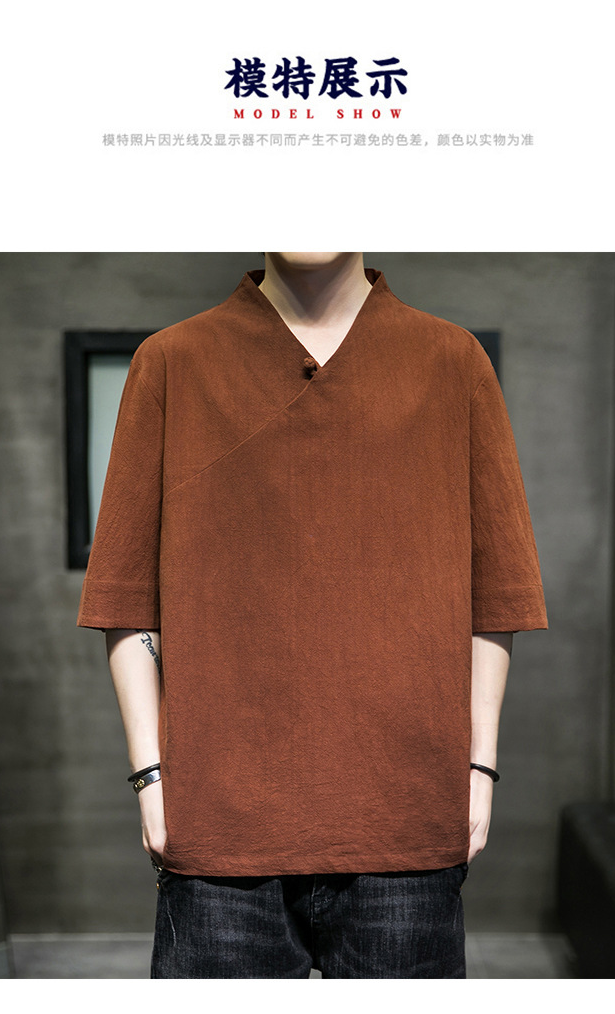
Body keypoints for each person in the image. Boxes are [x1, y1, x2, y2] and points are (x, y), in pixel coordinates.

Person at [77, 252, 547, 978]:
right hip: (219, 825)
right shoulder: (172, 362)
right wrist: (151, 778)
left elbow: (499, 590)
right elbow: (125, 593)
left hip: (404, 818)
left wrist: (478, 768)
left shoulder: (452, 361)